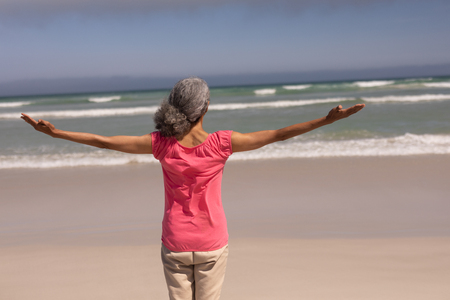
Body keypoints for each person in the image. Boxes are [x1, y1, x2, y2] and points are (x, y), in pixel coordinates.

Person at [21, 76, 365, 300]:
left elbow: (106, 141)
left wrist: (56, 134)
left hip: (174, 243)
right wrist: (325, 121)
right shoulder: (223, 143)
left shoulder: (160, 144)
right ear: (205, 108)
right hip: (212, 243)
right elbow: (277, 134)